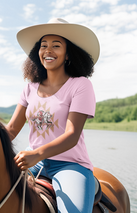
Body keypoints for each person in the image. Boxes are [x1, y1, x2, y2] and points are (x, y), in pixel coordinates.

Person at [6, 18, 100, 213]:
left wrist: (37, 154)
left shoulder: (80, 85)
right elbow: (12, 129)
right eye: (43, 45)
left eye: (56, 45)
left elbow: (72, 135)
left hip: (69, 164)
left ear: (68, 54)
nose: (48, 50)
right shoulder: (29, 88)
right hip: (34, 158)